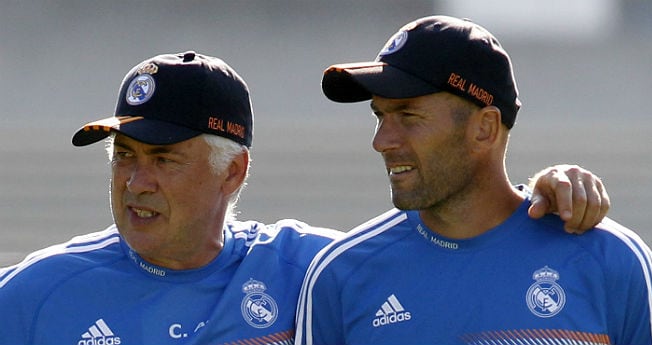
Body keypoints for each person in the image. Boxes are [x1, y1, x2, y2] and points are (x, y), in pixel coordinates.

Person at [0, 51, 608, 345]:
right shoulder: (34, 293)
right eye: (124, 158)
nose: (136, 182)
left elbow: (454, 234)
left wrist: (544, 191)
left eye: (164, 159)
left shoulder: (310, 269)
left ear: (233, 172)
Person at [295, 16, 652, 345]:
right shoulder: (340, 275)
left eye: (408, 115)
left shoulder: (611, 260)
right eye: (379, 116)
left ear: (485, 128)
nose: (381, 142)